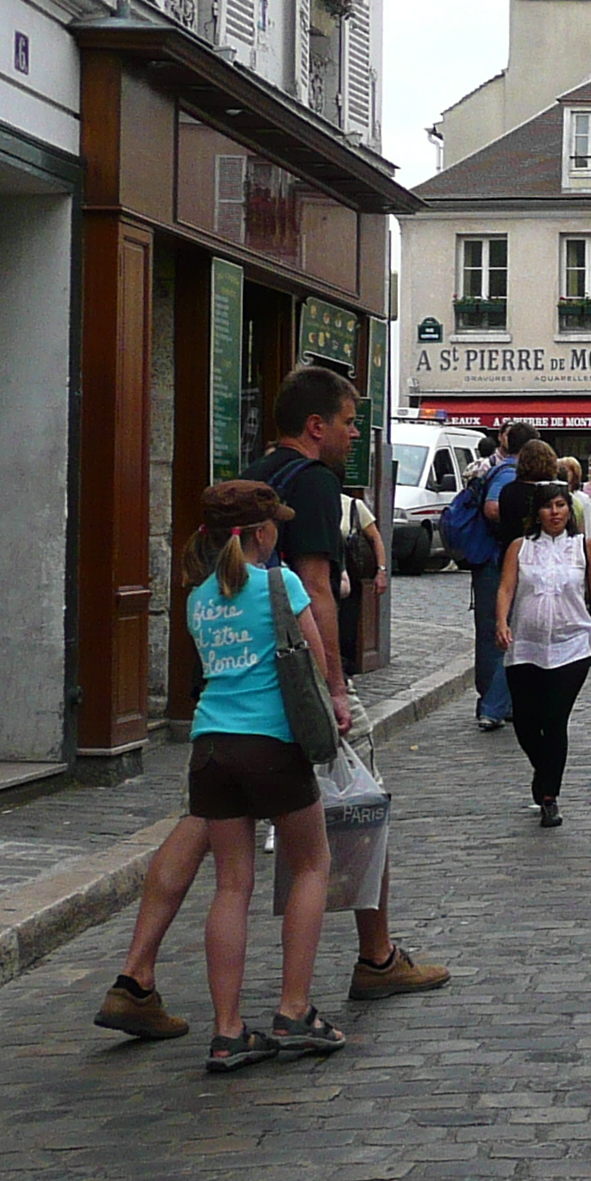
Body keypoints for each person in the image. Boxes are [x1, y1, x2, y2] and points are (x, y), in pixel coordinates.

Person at [90, 479, 350, 1068]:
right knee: (311, 865)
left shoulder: (198, 599)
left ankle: (228, 1031)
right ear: (262, 533)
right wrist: (336, 706)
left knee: (232, 885)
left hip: (210, 749)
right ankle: (294, 1008)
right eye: (274, 524)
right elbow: (310, 660)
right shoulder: (280, 585)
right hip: (272, 745)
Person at [244, 366, 452, 1002]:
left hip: (246, 669)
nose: (354, 432)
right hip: (298, 672)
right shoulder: (312, 483)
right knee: (365, 801)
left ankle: (136, 974)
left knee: (208, 816)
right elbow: (313, 589)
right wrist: (335, 686)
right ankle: (377, 955)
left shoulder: (259, 473)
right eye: (348, 421)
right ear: (316, 427)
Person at [496, 483, 591, 827]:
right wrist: (501, 621)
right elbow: (506, 588)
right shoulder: (520, 548)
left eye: (561, 506)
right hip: (526, 645)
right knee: (528, 724)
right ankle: (541, 769)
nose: (555, 512)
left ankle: (549, 795)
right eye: (549, 507)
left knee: (555, 721)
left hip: (571, 643)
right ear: (538, 513)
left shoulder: (582, 547)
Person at [467, 421, 538, 731]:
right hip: (497, 559)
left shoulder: (502, 469)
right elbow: (492, 507)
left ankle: (495, 701)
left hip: (495, 559)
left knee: (495, 630)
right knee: (500, 632)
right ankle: (491, 704)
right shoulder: (509, 473)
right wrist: (519, 526)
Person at [335, 484, 386, 678]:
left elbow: (375, 538)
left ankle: (345, 667)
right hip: (324, 571)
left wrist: (381, 571)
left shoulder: (353, 505)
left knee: (347, 622)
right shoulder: (314, 505)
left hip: (350, 573)